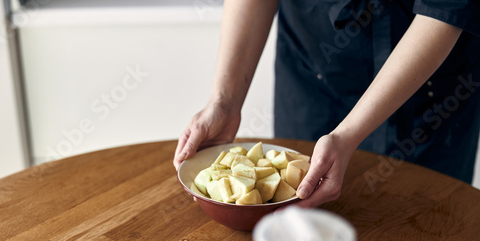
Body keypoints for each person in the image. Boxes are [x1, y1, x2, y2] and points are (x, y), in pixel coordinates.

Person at [173, 0, 480, 208]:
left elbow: (444, 8)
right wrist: (224, 100)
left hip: (430, 91)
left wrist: (348, 134)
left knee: (426, 235)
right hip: (312, 75)